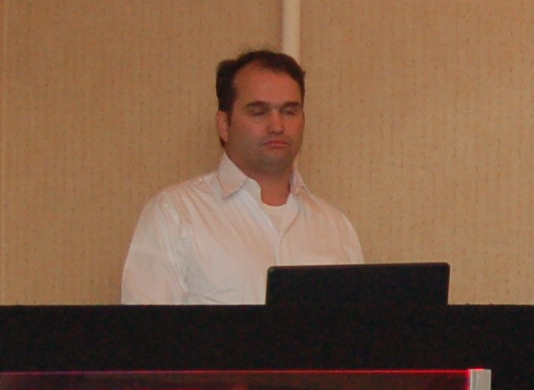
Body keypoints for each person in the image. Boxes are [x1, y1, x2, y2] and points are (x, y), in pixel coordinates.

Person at [119, 49, 363, 304]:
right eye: (259, 112)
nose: (277, 126)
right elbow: (146, 327)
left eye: (289, 111)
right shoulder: (176, 214)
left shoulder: (335, 228)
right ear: (224, 125)